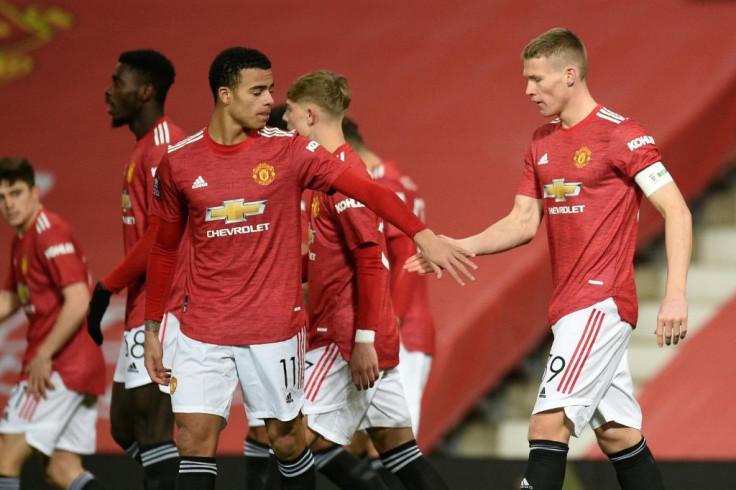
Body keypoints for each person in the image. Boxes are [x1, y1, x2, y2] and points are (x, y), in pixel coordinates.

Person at [142, 47, 474, 490]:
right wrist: (152, 325)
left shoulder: (293, 154)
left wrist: (421, 234)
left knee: (290, 440)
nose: (270, 104)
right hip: (204, 328)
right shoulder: (180, 161)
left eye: (273, 93)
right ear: (225, 95)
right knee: (195, 440)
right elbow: (164, 249)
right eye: (258, 91)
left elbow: (368, 207)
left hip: (298, 334)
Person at [407, 28, 691, 490]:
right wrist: (458, 245)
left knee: (546, 426)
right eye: (526, 79)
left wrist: (675, 296)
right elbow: (522, 222)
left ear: (571, 74)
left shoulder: (622, 134)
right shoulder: (541, 143)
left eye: (537, 79)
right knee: (619, 436)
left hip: (601, 304)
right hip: (569, 307)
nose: (528, 90)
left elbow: (676, 210)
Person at [284, 70, 449, 490]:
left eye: (287, 111)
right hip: (366, 339)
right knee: (401, 454)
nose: (282, 120)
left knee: (288, 439)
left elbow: (371, 261)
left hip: (343, 341)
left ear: (308, 114)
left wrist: (363, 341)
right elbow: (331, 259)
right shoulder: (329, 175)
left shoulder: (344, 179)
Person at [90, 49, 188, 489]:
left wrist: (106, 285)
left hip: (165, 305)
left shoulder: (166, 145)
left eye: (118, 82)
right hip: (142, 304)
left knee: (151, 429)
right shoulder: (144, 148)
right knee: (123, 428)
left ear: (145, 91)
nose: (109, 92)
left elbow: (160, 235)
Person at [0, 157, 107, 489]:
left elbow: (78, 300)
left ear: (35, 192)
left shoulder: (49, 231)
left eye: (15, 193)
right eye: (2, 197)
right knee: (62, 469)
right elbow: (11, 298)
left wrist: (45, 354)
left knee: (5, 455)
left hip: (60, 365)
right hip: (78, 367)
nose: (8, 204)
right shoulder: (23, 238)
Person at [343, 117, 436, 438]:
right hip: (401, 326)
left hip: (403, 333)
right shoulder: (396, 180)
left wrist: (391, 322)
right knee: (368, 439)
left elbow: (409, 257)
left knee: (395, 438)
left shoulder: (386, 185)